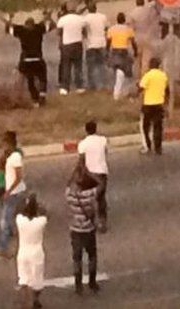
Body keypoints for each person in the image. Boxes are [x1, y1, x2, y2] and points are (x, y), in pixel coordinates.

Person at [1, 12, 54, 106]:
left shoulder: (21, 30)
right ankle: (42, 95)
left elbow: (8, 30)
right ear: (33, 24)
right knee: (42, 77)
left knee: (30, 80)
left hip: (26, 60)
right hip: (38, 59)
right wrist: (48, 18)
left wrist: (8, 20)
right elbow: (53, 26)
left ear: (25, 24)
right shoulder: (38, 29)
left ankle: (35, 100)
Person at [66, 163, 101, 294]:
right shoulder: (89, 195)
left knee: (77, 258)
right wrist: (89, 173)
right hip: (89, 229)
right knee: (92, 255)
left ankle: (78, 284)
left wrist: (75, 172)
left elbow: (68, 184)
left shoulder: (70, 196)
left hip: (75, 230)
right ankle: (92, 281)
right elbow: (101, 185)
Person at [0, 131, 27, 258]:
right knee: (14, 221)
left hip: (14, 194)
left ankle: (4, 250)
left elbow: (19, 176)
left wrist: (8, 192)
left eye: (5, 142)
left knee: (5, 221)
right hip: (14, 193)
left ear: (9, 143)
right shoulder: (10, 156)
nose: (3, 145)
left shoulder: (15, 157)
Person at [16, 194, 48, 308]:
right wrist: (38, 205)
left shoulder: (20, 221)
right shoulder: (40, 222)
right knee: (37, 280)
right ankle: (35, 299)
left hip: (23, 252)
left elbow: (18, 210)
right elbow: (44, 212)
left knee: (23, 279)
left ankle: (24, 302)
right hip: (36, 253)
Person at [78, 121, 109, 231]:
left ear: (86, 130)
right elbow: (105, 153)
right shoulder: (103, 140)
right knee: (101, 198)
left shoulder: (83, 144)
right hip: (102, 172)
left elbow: (81, 161)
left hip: (89, 174)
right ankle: (102, 221)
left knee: (89, 199)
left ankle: (91, 221)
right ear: (96, 129)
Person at [138, 57, 169, 155]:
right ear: (159, 65)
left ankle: (147, 146)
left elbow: (141, 87)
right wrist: (166, 102)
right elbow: (167, 90)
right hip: (159, 104)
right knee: (158, 127)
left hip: (148, 104)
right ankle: (158, 147)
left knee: (145, 127)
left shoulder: (148, 75)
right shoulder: (163, 75)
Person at [57, 3, 88, 95]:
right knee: (78, 66)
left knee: (66, 66)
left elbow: (59, 33)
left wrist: (60, 44)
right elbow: (85, 32)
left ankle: (65, 88)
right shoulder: (80, 19)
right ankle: (79, 87)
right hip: (77, 44)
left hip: (66, 44)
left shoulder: (62, 19)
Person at [107, 12, 137, 100]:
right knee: (125, 73)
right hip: (124, 52)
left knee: (117, 72)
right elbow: (133, 42)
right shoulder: (128, 29)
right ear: (124, 20)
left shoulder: (111, 29)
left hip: (115, 51)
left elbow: (108, 42)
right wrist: (135, 51)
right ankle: (121, 92)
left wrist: (107, 51)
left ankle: (117, 91)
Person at [128, 0, 159, 75]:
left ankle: (137, 76)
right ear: (143, 3)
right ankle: (144, 76)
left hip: (137, 37)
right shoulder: (148, 11)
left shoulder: (132, 13)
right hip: (147, 36)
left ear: (136, 3)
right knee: (146, 59)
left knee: (137, 58)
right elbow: (154, 21)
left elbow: (131, 28)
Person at [83, 3, 108, 91]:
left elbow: (83, 30)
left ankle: (91, 85)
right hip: (101, 43)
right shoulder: (103, 17)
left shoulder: (85, 18)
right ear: (96, 8)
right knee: (101, 65)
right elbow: (106, 29)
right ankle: (102, 84)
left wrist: (86, 37)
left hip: (90, 44)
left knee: (90, 66)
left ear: (88, 9)